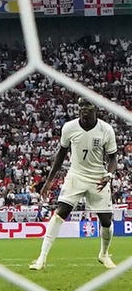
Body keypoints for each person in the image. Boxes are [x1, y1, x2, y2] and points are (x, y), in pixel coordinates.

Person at [30, 97, 118, 270]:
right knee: (60, 212)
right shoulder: (69, 127)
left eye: (88, 105)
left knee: (106, 220)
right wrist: (49, 181)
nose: (84, 108)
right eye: (81, 105)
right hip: (76, 175)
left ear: (95, 108)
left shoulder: (106, 129)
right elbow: (61, 155)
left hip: (98, 178)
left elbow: (113, 157)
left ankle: (104, 254)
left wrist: (109, 174)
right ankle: (41, 258)